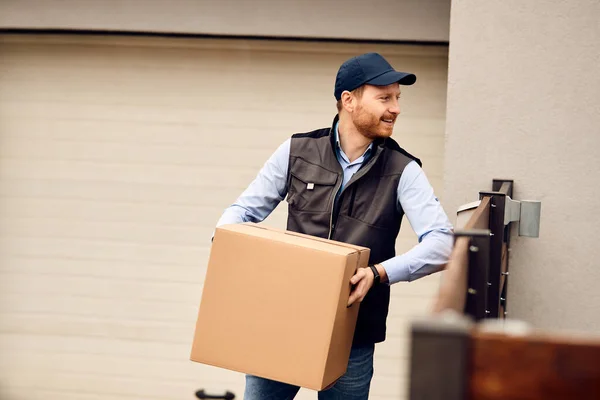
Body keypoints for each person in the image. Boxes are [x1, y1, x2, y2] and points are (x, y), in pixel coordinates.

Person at [214, 52, 454, 400]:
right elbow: (239, 214)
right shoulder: (296, 151)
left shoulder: (404, 171)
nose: (396, 108)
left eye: (398, 98)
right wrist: (235, 251)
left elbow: (443, 244)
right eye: (384, 97)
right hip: (281, 324)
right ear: (349, 100)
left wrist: (378, 273)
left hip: (352, 336)